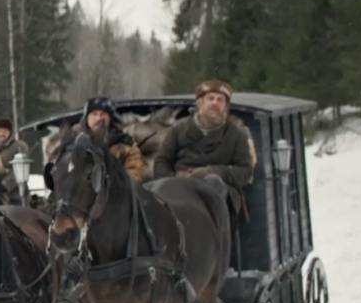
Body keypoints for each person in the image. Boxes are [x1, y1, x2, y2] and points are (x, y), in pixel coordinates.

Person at [153, 79, 255, 216]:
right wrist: (170, 181)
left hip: (220, 193)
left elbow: (245, 171)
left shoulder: (236, 135)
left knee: (213, 183)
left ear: (226, 106)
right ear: (200, 103)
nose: (215, 103)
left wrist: (212, 171)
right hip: (179, 186)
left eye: (220, 100)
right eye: (210, 98)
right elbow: (162, 160)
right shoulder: (179, 129)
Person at [78, 96, 148, 183]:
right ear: (86, 118)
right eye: (94, 114)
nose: (98, 118)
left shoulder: (125, 145)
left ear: (110, 118)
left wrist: (111, 180)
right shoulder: (75, 143)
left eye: (102, 114)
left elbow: (137, 173)